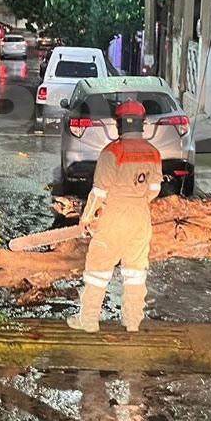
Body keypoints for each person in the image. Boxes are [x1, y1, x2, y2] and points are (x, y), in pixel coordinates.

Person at [69, 99, 162, 333]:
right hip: (141, 218)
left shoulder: (112, 152)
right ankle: (132, 321)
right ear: (142, 124)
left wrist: (86, 218)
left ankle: (88, 321)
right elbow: (154, 190)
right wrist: (137, 200)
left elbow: (99, 192)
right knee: (135, 272)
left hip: (114, 217)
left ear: (118, 124)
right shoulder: (153, 152)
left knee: (98, 270)